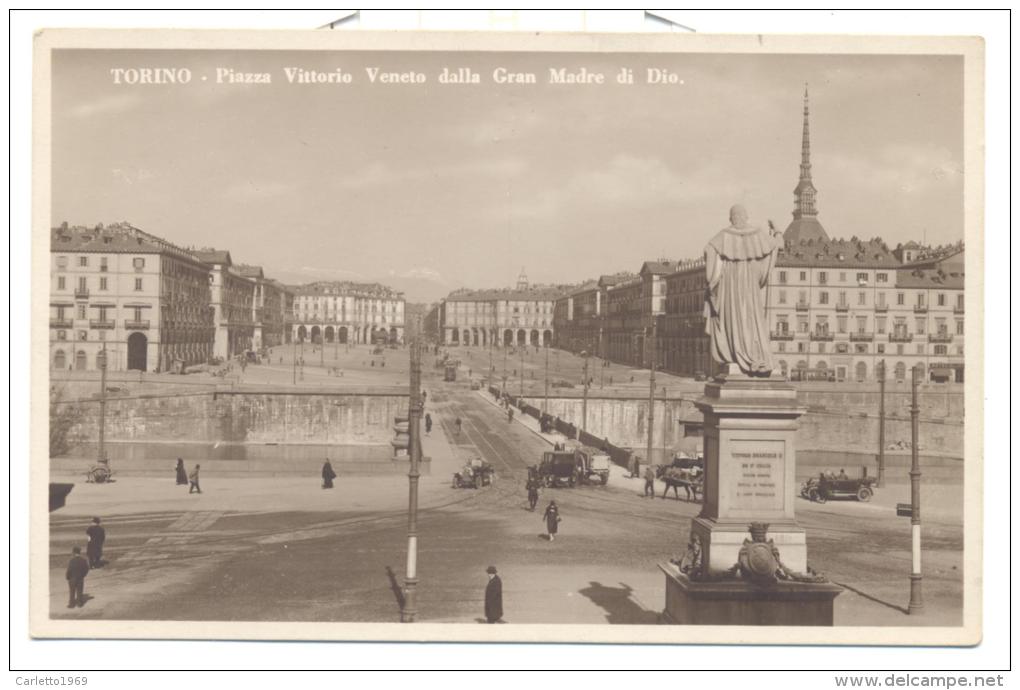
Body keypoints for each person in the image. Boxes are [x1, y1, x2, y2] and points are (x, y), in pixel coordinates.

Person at [703, 204, 782, 376]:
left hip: (729, 285)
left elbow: (710, 250)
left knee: (732, 318)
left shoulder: (724, 235)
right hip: (750, 286)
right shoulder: (757, 234)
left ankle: (737, 354)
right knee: (751, 318)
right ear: (745, 217)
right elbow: (776, 245)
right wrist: (776, 231)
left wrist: (711, 280)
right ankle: (755, 354)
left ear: (732, 217)